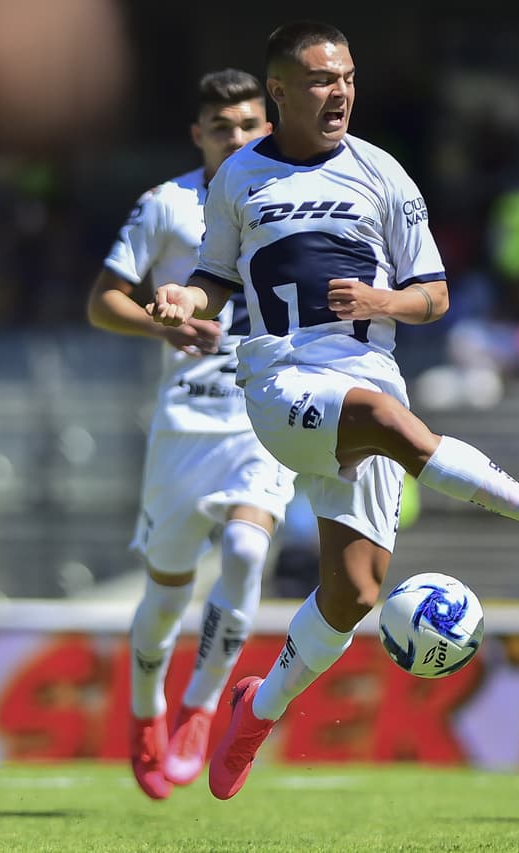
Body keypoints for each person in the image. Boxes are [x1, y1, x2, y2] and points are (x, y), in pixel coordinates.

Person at [145, 20, 519, 802]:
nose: (341, 92)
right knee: (389, 425)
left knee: (355, 592)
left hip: (370, 370)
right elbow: (214, 282)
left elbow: (435, 295)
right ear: (280, 92)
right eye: (323, 79)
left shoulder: (384, 174)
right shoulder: (237, 180)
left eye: (349, 77)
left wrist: (382, 299)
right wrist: (178, 300)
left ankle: (255, 712)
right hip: (281, 378)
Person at [86, 69, 297, 800]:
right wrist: (160, 322)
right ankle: (145, 715)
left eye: (248, 125)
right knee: (169, 595)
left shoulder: (291, 199)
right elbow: (102, 301)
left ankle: (203, 706)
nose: (235, 138)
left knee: (245, 547)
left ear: (266, 127)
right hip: (183, 425)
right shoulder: (167, 206)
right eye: (221, 128)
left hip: (259, 417)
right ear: (198, 135)